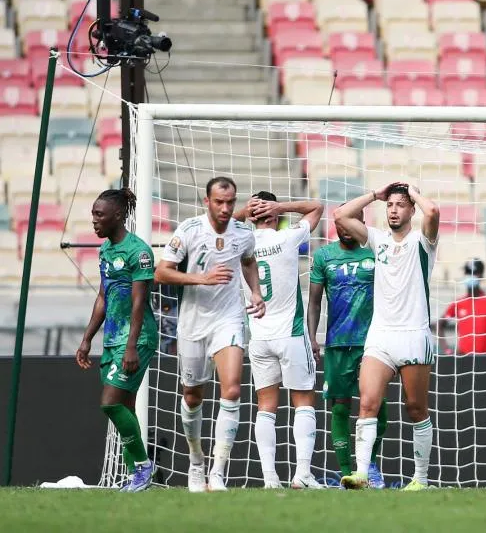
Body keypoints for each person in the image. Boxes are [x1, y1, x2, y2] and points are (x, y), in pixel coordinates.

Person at [155, 176, 266, 492]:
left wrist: (255, 292)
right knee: (192, 395)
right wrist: (202, 279)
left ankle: (217, 472)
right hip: (193, 322)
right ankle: (196, 462)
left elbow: (248, 261)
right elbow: (161, 273)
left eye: (230, 202)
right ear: (207, 202)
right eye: (219, 202)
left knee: (232, 390)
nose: (226, 208)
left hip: (228, 319)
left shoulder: (243, 233)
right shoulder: (189, 230)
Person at [333, 182, 440, 491]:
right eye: (390, 205)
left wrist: (413, 190)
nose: (393, 210)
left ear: (411, 210)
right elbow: (340, 216)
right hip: (380, 335)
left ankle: (421, 479)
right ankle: (361, 474)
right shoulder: (377, 239)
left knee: (416, 408)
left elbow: (433, 211)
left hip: (413, 334)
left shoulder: (423, 241)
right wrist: (375, 195)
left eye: (400, 205)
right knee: (367, 403)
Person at [234, 191, 324, 489]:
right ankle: (302, 474)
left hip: (259, 337)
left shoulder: (239, 243)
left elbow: (216, 226)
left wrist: (244, 212)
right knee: (304, 402)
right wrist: (280, 206)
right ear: (275, 216)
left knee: (265, 406)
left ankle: (270, 478)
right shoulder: (287, 238)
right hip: (291, 334)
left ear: (252, 217)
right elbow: (317, 207)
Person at [76, 188, 158, 493]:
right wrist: (87, 338)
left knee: (110, 403)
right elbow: (103, 296)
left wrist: (132, 346)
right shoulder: (106, 251)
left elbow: (138, 302)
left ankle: (143, 467)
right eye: (93, 214)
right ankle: (135, 475)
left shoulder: (139, 252)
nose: (94, 220)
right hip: (112, 338)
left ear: (118, 215)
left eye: (99, 214)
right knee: (126, 406)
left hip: (136, 338)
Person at [307, 208, 387, 488]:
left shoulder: (375, 252)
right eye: (340, 224)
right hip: (337, 343)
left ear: (362, 224)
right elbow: (314, 301)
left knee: (376, 406)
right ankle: (346, 473)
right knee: (339, 408)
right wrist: (312, 337)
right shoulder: (324, 256)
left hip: (372, 342)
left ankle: (371, 467)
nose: (345, 229)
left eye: (352, 223)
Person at [438, 259, 486, 354]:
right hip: (464, 358)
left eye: (474, 273)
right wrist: (447, 350)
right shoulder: (458, 303)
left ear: (481, 275)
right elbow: (440, 324)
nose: (470, 276)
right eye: (468, 272)